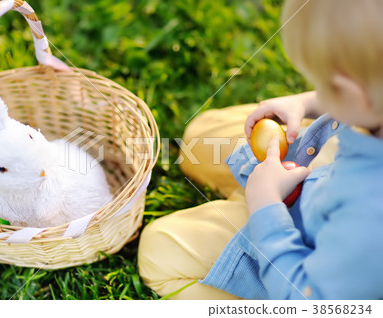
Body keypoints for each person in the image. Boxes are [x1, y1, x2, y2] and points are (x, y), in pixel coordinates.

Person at [137, 0, 383, 299]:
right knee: (199, 138)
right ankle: (243, 195)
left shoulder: (369, 221)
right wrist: (307, 103)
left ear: (351, 95)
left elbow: (307, 297)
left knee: (158, 250)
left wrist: (266, 205)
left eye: (324, 86)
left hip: (300, 254)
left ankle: (245, 208)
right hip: (325, 176)